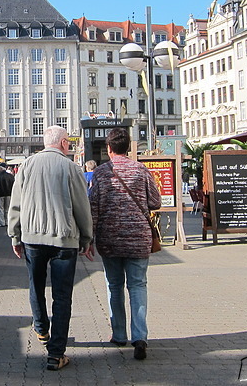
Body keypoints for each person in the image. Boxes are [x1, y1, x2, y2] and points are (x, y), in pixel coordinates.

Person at [7, 125, 94, 372]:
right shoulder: (71, 168)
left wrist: (15, 235)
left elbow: (16, 204)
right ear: (64, 143)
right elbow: (81, 206)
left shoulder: (26, 166)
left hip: (32, 238)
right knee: (62, 296)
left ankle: (42, 328)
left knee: (35, 286)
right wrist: (87, 238)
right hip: (64, 239)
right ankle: (56, 354)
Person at [89, 128, 160, 361]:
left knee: (114, 285)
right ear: (129, 148)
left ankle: (119, 334)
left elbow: (94, 208)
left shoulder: (100, 173)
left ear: (108, 148)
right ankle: (139, 337)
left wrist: (89, 238)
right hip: (138, 238)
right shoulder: (141, 169)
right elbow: (155, 201)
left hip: (109, 239)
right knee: (138, 285)